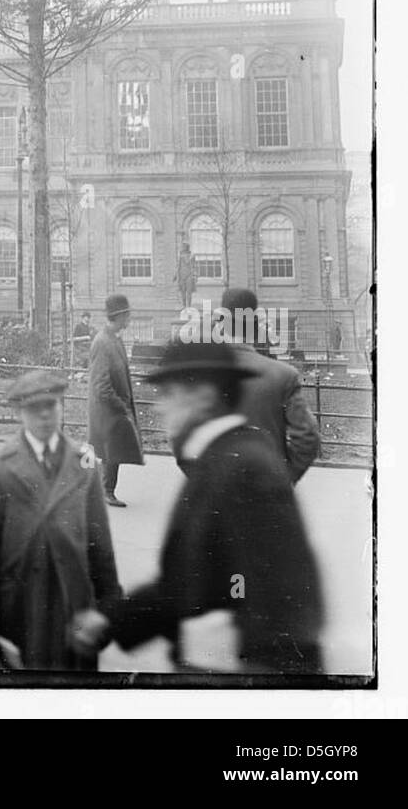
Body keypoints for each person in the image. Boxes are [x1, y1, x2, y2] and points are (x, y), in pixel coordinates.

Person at [81, 339, 324, 675]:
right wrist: (109, 623)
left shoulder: (241, 468)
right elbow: (186, 582)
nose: (160, 407)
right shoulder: (220, 458)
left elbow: (273, 597)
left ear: (205, 395)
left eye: (170, 393)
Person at [0, 369, 122, 671]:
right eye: (35, 409)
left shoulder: (84, 463)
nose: (45, 415)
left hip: (74, 603)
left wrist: (108, 605)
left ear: (61, 406)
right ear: (19, 413)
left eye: (52, 406)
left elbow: (99, 543)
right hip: (18, 603)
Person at [219, 288, 320, 484]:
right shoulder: (284, 375)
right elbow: (308, 435)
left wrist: (203, 481)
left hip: (216, 493)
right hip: (270, 488)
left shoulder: (201, 375)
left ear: (222, 326)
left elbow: (181, 436)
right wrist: (285, 479)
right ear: (254, 328)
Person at [88, 294, 144, 507]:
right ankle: (105, 491)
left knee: (113, 450)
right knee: (111, 450)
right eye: (128, 315)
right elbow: (101, 384)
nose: (130, 320)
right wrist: (120, 406)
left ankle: (104, 490)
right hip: (108, 409)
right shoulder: (103, 342)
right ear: (120, 316)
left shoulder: (114, 339)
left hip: (113, 408)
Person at [174, 238, 197, 308]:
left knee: (189, 292)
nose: (183, 247)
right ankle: (184, 306)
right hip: (182, 276)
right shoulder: (180, 256)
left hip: (189, 276)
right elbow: (178, 266)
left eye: (184, 246)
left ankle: (189, 307)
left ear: (187, 247)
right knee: (183, 292)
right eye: (183, 246)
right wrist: (175, 275)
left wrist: (195, 275)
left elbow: (193, 266)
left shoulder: (192, 256)